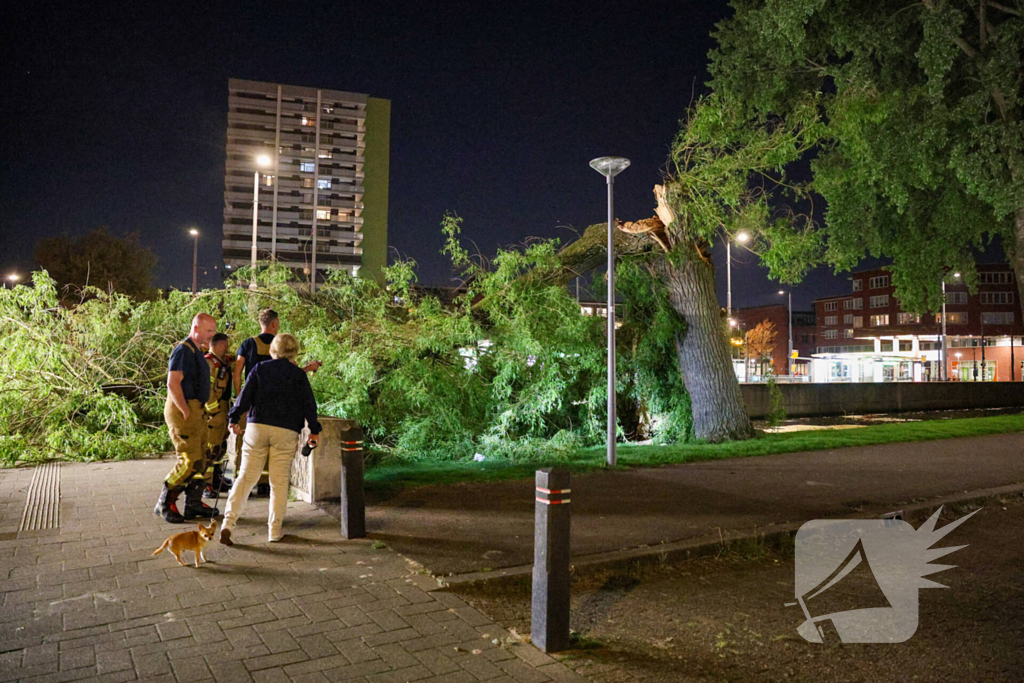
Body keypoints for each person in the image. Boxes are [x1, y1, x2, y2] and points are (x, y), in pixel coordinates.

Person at [220, 333, 321, 545]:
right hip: (286, 431)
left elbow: (244, 396)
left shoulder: (260, 369)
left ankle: (228, 524)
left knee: (246, 476)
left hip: (257, 427)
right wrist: (314, 429)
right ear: (294, 352)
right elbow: (309, 405)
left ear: (273, 350)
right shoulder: (298, 376)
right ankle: (274, 532)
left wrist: (234, 417)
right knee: (279, 482)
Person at [232, 309, 322, 495]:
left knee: (247, 448)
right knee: (276, 467)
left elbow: (238, 370)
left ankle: (242, 485)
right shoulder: (284, 348)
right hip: (282, 415)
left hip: (254, 409)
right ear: (274, 323)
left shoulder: (248, 344)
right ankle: (265, 486)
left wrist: (241, 399)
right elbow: (292, 380)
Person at [154, 314, 220, 524]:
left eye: (213, 331)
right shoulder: (183, 350)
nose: (212, 335)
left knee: (201, 459)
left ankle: (193, 504)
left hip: (196, 410)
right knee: (188, 461)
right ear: (196, 328)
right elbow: (173, 383)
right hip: (185, 410)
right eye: (209, 331)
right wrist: (185, 410)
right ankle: (165, 502)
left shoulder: (197, 351)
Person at [203, 333, 234, 498]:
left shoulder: (222, 363)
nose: (228, 348)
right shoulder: (209, 362)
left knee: (220, 448)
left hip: (223, 409)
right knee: (211, 448)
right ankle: (206, 484)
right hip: (214, 412)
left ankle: (216, 479)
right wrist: (213, 411)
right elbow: (207, 389)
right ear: (218, 344)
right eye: (225, 344)